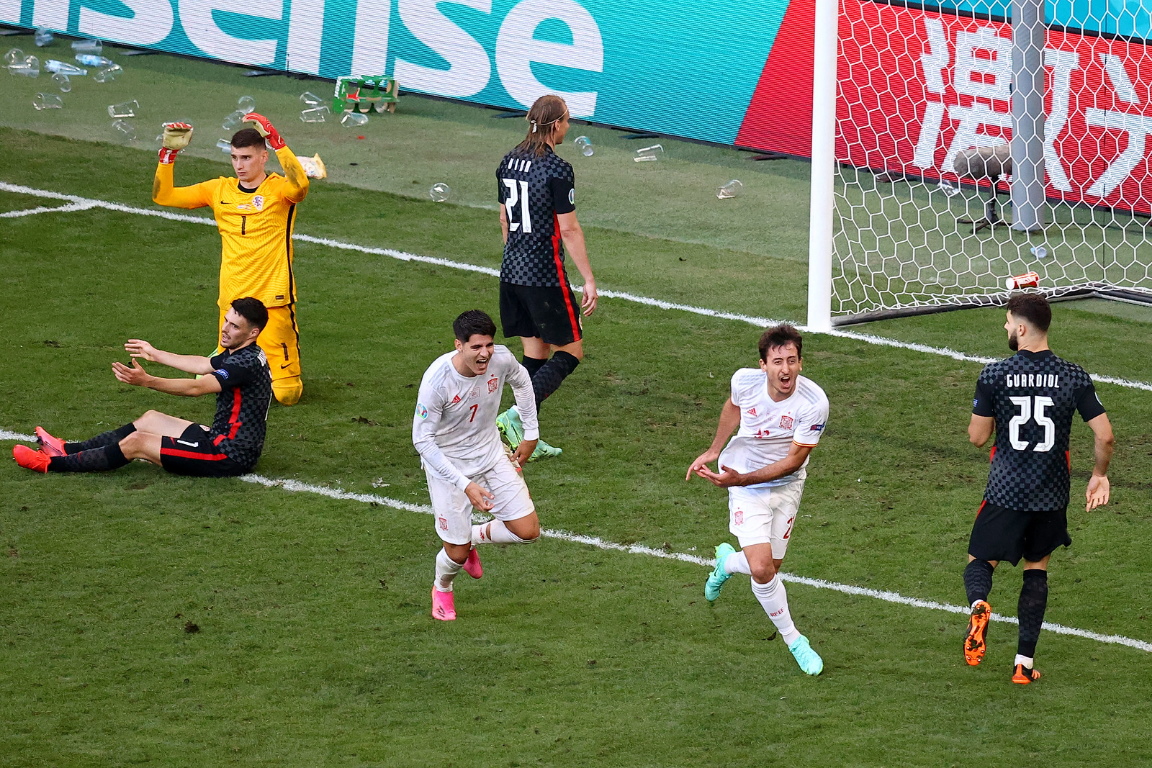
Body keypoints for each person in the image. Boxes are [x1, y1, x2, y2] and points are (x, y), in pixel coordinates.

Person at [962, 293, 1113, 684]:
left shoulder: (995, 374)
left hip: (1005, 489)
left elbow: (977, 438)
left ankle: (979, 605)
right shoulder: (1074, 376)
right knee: (1037, 571)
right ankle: (1023, 666)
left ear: (1023, 328)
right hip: (1051, 492)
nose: (1006, 327)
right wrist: (1098, 475)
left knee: (980, 561)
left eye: (1009, 321)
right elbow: (1105, 435)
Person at [686, 323, 828, 676]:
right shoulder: (744, 381)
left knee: (770, 567)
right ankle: (795, 640)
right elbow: (733, 407)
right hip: (743, 479)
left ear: (801, 362)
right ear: (763, 364)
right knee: (763, 569)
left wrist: (743, 479)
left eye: (792, 361)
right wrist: (715, 449)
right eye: (778, 361)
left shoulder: (814, 404)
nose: (786, 370)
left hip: (786, 485)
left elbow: (794, 460)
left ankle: (727, 564)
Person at [13, 298, 272, 477]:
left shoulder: (244, 363)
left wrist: (146, 380)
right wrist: (155, 353)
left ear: (253, 333)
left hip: (229, 455)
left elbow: (197, 388)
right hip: (219, 437)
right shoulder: (244, 352)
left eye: (234, 326)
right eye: (226, 321)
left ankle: (52, 464)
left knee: (136, 442)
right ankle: (66, 448)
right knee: (150, 419)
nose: (225, 329)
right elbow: (205, 364)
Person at [152, 114, 309, 406]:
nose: (239, 165)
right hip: (233, 301)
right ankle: (221, 359)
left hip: (272, 298)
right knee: (217, 384)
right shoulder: (219, 189)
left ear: (263, 157)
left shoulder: (278, 190)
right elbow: (165, 197)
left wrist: (277, 141)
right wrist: (168, 156)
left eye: (247, 158)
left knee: (288, 395)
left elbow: (300, 187)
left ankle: (247, 365)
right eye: (235, 158)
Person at [413, 310, 542, 621]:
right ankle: (441, 587)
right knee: (455, 555)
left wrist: (531, 433)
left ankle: (472, 536)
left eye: (488, 345)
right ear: (459, 345)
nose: (484, 354)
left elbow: (523, 381)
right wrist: (465, 484)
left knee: (528, 531)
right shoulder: (438, 381)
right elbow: (423, 441)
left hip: (490, 454)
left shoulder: (501, 358)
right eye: (476, 347)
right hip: (449, 467)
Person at [492, 94, 597, 462]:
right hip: (544, 276)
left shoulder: (508, 160)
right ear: (555, 124)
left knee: (535, 354)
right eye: (567, 121)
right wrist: (588, 279)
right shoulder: (557, 169)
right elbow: (568, 230)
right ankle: (513, 418)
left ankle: (525, 433)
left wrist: (515, 254)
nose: (569, 127)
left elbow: (504, 220)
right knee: (571, 352)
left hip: (512, 272)